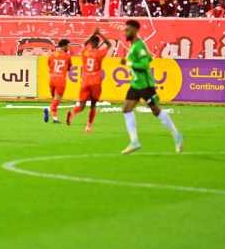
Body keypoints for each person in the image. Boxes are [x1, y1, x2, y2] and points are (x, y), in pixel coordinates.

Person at [120, 20, 183, 155]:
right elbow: (149, 58)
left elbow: (144, 65)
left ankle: (177, 135)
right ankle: (134, 141)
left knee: (156, 110)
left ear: (135, 31)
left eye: (128, 30)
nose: (126, 32)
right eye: (125, 30)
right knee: (126, 109)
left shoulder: (138, 46)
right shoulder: (134, 46)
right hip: (136, 84)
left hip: (145, 84)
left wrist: (129, 63)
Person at [66, 29, 111, 132]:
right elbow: (109, 44)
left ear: (90, 43)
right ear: (98, 43)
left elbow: (84, 43)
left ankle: (73, 113)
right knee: (93, 105)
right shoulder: (99, 53)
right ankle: (88, 126)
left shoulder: (85, 52)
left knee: (82, 105)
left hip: (85, 80)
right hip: (95, 81)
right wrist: (100, 33)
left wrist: (93, 33)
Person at [43, 39, 71, 123]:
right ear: (64, 46)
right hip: (60, 79)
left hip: (52, 78)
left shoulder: (52, 55)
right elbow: (69, 67)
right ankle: (48, 109)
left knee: (54, 99)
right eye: (68, 45)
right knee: (57, 100)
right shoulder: (67, 56)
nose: (69, 47)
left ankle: (55, 119)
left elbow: (49, 64)